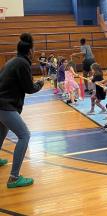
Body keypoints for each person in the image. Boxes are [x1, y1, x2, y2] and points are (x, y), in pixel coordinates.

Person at [0, 33, 44, 188]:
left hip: (1, 104)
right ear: (30, 51)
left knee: (2, 131)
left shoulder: (12, 61)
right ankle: (13, 177)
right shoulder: (23, 63)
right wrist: (40, 84)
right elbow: (29, 88)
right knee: (25, 135)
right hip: (5, 105)